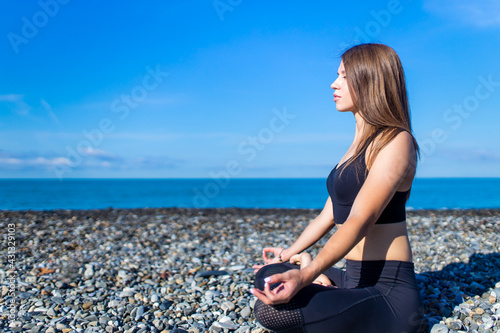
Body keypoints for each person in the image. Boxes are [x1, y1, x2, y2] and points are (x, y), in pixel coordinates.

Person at [251, 43, 423, 333]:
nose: (334, 83)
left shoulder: (396, 140)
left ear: (368, 80)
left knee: (272, 313)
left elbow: (360, 220)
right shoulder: (355, 146)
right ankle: (326, 284)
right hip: (352, 277)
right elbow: (327, 216)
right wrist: (287, 256)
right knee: (269, 276)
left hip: (388, 290)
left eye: (344, 76)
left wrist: (306, 276)